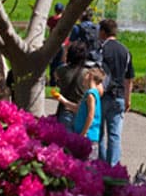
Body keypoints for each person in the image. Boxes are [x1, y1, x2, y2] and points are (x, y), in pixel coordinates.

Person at [97, 19, 135, 166]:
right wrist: (127, 98)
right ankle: (113, 167)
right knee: (114, 135)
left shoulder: (101, 49)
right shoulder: (125, 51)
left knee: (99, 133)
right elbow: (129, 78)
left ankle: (101, 165)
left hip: (103, 95)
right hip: (119, 95)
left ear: (103, 32)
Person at [52, 41, 94, 131]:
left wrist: (64, 55)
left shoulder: (61, 70)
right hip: (82, 112)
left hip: (65, 111)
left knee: (66, 142)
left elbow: (56, 76)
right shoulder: (88, 74)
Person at [71, 67, 106, 158]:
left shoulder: (91, 95)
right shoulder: (91, 93)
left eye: (85, 75)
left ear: (90, 76)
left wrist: (83, 133)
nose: (83, 77)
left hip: (88, 136)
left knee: (87, 165)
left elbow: (91, 115)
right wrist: (61, 99)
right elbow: (77, 108)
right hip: (88, 135)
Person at [46, 2, 67, 79]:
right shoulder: (63, 19)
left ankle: (52, 79)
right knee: (61, 61)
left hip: (53, 41)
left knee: (53, 62)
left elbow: (48, 25)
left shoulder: (51, 19)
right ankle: (60, 78)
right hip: (63, 42)